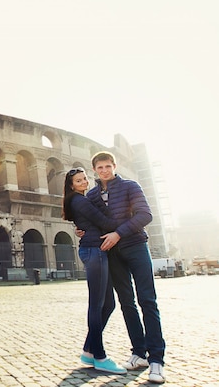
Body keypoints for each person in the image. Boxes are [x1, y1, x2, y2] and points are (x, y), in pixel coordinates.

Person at [82, 151, 166, 384]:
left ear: (114, 166)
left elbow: (144, 215)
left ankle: (156, 360)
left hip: (136, 247)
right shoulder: (92, 195)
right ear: (95, 170)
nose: (104, 171)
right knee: (127, 304)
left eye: (108, 166)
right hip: (113, 254)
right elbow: (91, 223)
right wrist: (83, 231)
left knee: (147, 300)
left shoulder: (130, 186)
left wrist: (119, 233)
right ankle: (138, 353)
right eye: (100, 168)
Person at [62, 167, 126, 375]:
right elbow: (104, 222)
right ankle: (99, 356)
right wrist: (128, 221)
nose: (83, 182)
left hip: (95, 250)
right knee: (97, 304)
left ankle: (89, 350)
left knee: (108, 303)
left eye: (84, 179)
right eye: (78, 181)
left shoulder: (78, 200)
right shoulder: (80, 201)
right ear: (72, 185)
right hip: (93, 251)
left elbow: (93, 223)